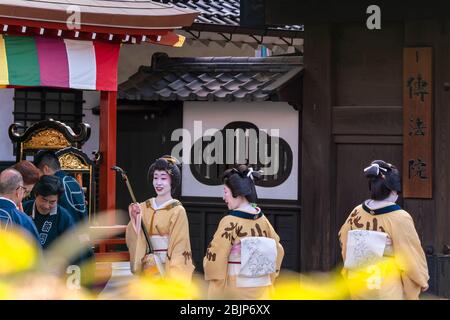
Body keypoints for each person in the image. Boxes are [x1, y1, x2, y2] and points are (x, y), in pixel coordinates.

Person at [338, 160, 429, 300]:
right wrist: (420, 279)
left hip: (358, 281)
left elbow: (344, 240)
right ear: (393, 191)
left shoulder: (357, 212)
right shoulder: (399, 217)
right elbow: (410, 256)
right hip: (386, 286)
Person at [203, 165, 284, 300]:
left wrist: (215, 282)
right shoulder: (262, 219)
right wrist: (269, 274)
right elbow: (278, 249)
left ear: (237, 192)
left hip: (235, 286)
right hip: (262, 287)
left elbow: (216, 256)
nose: (224, 197)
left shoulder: (230, 222)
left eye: (225, 192)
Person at [126, 155, 194, 282]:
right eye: (155, 178)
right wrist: (135, 218)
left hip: (166, 264)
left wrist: (174, 275)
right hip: (147, 262)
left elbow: (180, 245)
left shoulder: (177, 210)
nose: (158, 182)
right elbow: (133, 233)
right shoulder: (144, 207)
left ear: (172, 181)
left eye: (163, 178)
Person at [23, 175, 75, 249]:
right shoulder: (23, 209)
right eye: (43, 200)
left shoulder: (64, 217)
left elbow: (71, 247)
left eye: (52, 202)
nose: (46, 206)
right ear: (35, 195)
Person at [0, 168, 40, 243]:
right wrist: (21, 216)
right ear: (18, 191)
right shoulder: (23, 220)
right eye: (25, 190)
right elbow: (35, 252)